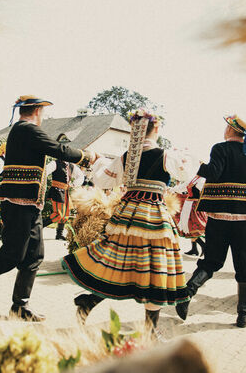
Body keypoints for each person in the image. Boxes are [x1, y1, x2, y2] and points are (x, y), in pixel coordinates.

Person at [0, 96, 97, 321]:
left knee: (34, 256)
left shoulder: (22, 130)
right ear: (37, 110)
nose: (44, 116)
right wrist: (86, 156)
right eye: (43, 112)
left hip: (29, 204)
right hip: (19, 203)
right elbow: (57, 149)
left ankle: (20, 306)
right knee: (11, 255)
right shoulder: (27, 130)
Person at [62, 109, 196, 335]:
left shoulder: (127, 156)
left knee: (119, 261)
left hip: (128, 214)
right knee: (155, 269)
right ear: (157, 128)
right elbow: (185, 175)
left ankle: (88, 301)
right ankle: (150, 332)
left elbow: (102, 179)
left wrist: (99, 161)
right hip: (153, 216)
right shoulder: (165, 156)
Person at [175, 114, 246, 328]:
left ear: (230, 130)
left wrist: (197, 164)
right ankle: (243, 315)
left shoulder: (220, 148)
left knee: (212, 261)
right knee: (244, 266)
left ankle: (187, 294)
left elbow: (213, 173)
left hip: (219, 216)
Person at [42, 134, 85, 240]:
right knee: (59, 214)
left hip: (65, 191)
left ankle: (59, 234)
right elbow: (45, 171)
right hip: (56, 190)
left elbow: (81, 176)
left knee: (65, 214)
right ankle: (37, 227)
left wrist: (73, 184)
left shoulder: (71, 166)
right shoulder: (55, 163)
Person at [178, 175, 207, 256]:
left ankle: (203, 246)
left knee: (192, 226)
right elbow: (183, 187)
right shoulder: (195, 178)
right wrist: (172, 189)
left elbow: (202, 191)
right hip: (189, 204)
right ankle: (194, 249)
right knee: (188, 226)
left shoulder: (202, 180)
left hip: (195, 205)